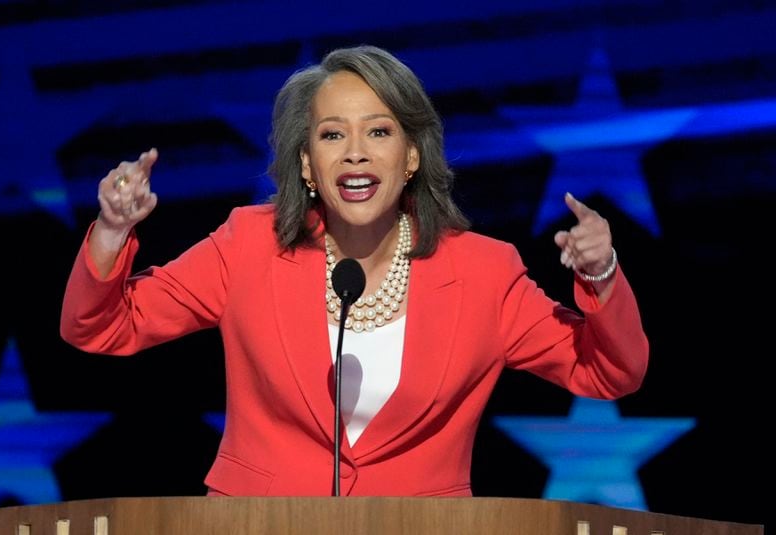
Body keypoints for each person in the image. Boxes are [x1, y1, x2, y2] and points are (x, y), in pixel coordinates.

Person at [60, 45, 648, 497]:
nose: (356, 151)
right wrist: (112, 231)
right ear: (308, 165)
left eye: (380, 131)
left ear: (412, 156)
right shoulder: (248, 245)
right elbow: (101, 327)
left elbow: (609, 373)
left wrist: (601, 275)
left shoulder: (484, 272)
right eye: (332, 134)